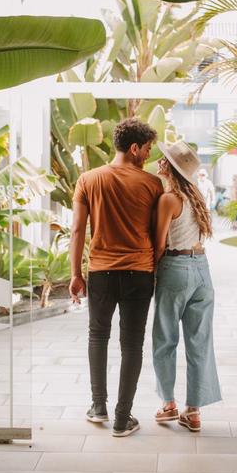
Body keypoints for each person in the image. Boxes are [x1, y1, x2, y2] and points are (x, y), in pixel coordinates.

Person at [69, 118, 163, 437]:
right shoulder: (152, 184)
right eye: (147, 149)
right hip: (140, 271)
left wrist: (75, 274)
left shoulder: (88, 179)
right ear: (134, 148)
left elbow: (78, 230)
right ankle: (123, 418)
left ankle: (99, 406)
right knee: (132, 342)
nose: (148, 155)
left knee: (98, 335)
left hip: (101, 271)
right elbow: (156, 232)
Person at [151, 140, 222, 433]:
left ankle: (169, 405)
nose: (158, 161)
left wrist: (151, 273)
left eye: (163, 159)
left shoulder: (168, 199)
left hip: (176, 268)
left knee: (165, 340)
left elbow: (158, 245)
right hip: (202, 270)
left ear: (169, 167)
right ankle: (193, 412)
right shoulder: (196, 197)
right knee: (200, 342)